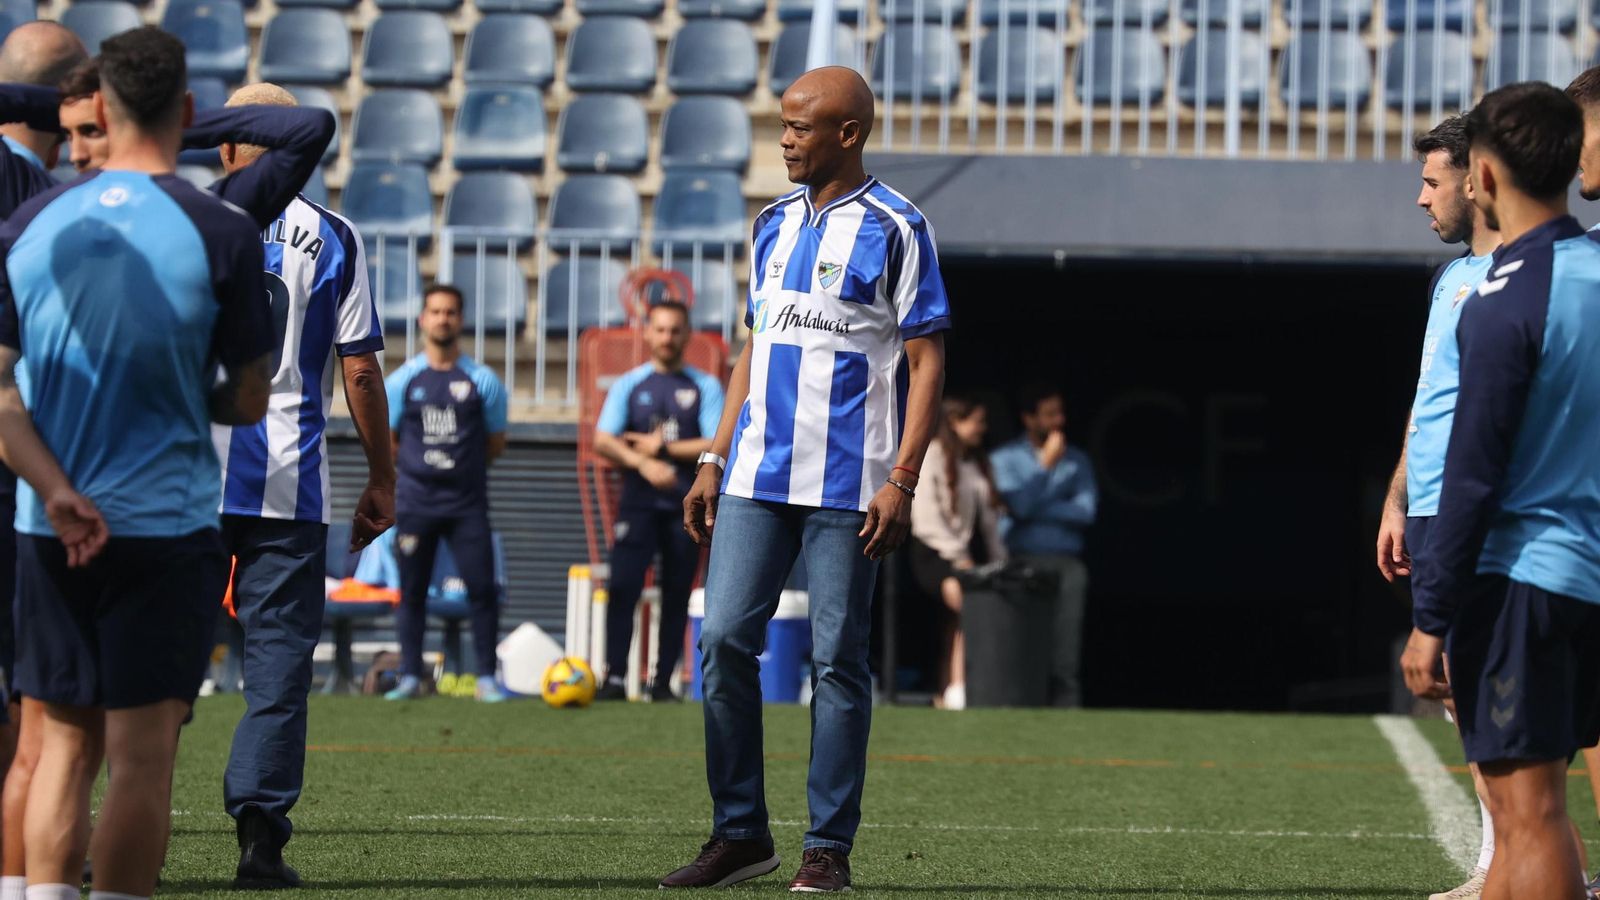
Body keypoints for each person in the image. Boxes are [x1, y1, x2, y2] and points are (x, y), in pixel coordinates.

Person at [0, 25, 270, 900]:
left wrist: (57, 490)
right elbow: (254, 398)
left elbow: (1, 397)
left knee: (59, 749)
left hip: (49, 526)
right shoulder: (222, 229)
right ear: (188, 112)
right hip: (166, 523)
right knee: (142, 762)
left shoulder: (29, 223)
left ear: (101, 113)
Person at [665, 65, 949, 894]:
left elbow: (929, 361)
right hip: (756, 473)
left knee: (837, 660)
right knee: (721, 645)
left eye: (799, 126)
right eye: (782, 125)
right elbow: (754, 344)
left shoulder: (899, 227)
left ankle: (827, 847)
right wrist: (714, 455)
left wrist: (903, 477)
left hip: (849, 484)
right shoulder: (771, 224)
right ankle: (741, 833)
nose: (784, 139)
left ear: (848, 134)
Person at [1402, 81, 1600, 900]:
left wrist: (1430, 619)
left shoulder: (1501, 295)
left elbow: (1473, 470)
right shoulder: (1593, 272)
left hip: (1520, 574)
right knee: (1538, 817)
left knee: (1530, 820)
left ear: (1482, 175)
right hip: (1585, 566)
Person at [196, 83, 391, 889]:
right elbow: (359, 369)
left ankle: (107, 823)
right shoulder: (336, 235)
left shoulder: (184, 218)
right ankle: (260, 840)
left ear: (226, 148)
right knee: (277, 670)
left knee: (152, 667)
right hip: (290, 487)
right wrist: (383, 476)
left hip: (186, 482)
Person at [1373, 115, 1503, 900]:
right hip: (1430, 507)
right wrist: (1398, 497)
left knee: (1513, 691)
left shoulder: (1549, 271)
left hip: (1489, 505)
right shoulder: (1447, 279)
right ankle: (1499, 862)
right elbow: (1430, 399)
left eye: (1431, 181)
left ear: (1474, 178)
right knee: (1464, 693)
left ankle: (1524, 864)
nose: (1421, 200)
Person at [591, 300, 723, 702]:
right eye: (660, 330)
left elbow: (715, 441)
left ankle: (663, 681)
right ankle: (614, 677)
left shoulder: (705, 386)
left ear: (687, 334)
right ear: (647, 333)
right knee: (624, 587)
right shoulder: (630, 385)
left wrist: (662, 448)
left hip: (687, 506)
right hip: (637, 503)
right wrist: (644, 464)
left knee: (677, 594)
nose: (667, 338)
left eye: (674, 330)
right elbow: (603, 438)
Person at [384, 284, 508, 703]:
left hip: (467, 505)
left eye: (451, 312)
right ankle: (409, 676)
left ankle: (486, 677)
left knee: (482, 589)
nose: (442, 319)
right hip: (416, 502)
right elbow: (389, 439)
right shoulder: (403, 381)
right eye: (435, 311)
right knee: (412, 590)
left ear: (461, 320)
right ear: (423, 319)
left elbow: (495, 441)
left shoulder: (482, 380)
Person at [990, 384, 1097, 708]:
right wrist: (1046, 468)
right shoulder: (1004, 459)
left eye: (1060, 414)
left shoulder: (1078, 460)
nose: (1058, 422)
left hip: (1066, 565)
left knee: (1065, 650)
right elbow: (1017, 505)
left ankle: (1067, 716)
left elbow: (1085, 511)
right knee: (1023, 647)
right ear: (1028, 418)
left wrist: (1034, 507)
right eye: (1049, 415)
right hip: (1021, 562)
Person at [907, 395, 1005, 712]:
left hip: (966, 558)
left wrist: (1000, 561)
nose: (982, 429)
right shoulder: (933, 454)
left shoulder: (976, 463)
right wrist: (958, 556)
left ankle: (949, 690)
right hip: (935, 552)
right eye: (976, 421)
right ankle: (961, 687)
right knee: (969, 606)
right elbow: (927, 519)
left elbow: (989, 521)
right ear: (955, 422)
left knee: (956, 621)